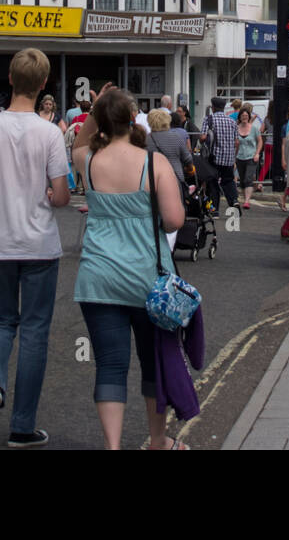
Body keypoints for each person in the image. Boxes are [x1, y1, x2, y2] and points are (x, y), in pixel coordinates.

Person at [0, 49, 70, 448]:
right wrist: (45, 193)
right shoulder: (50, 133)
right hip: (40, 244)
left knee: (0, 322)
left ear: (9, 78)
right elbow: (61, 195)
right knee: (35, 332)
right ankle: (22, 426)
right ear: (44, 84)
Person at [71, 88, 187, 450]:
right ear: (133, 119)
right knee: (153, 363)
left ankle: (113, 446)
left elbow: (80, 138)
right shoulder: (154, 164)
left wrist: (98, 105)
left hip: (98, 277)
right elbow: (173, 220)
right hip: (146, 279)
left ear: (102, 123)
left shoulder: (87, 160)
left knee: (109, 365)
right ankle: (157, 440)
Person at [200, 96, 239, 215]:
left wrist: (202, 142)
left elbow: (202, 137)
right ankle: (234, 201)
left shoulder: (209, 119)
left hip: (214, 157)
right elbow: (237, 142)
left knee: (213, 182)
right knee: (228, 181)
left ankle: (214, 210)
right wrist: (233, 156)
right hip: (228, 158)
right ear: (223, 108)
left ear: (213, 107)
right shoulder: (232, 121)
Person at [148, 109, 195, 189]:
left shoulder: (146, 139)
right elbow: (188, 159)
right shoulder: (176, 137)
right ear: (167, 121)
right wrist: (190, 170)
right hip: (174, 179)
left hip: (151, 181)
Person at [234, 107, 263, 209]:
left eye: (246, 116)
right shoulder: (236, 128)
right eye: (242, 116)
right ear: (240, 117)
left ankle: (247, 201)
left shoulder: (254, 129)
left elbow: (260, 141)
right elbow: (235, 143)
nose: (244, 117)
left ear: (249, 117)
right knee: (242, 180)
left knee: (248, 178)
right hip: (239, 157)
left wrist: (257, 153)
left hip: (251, 157)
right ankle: (245, 197)